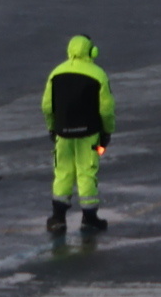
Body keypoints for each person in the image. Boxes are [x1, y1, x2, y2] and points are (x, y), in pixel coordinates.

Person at [44, 34, 114, 236]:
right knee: (86, 173)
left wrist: (52, 127)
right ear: (92, 51)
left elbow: (47, 106)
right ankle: (90, 219)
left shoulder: (56, 73)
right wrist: (107, 132)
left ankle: (58, 218)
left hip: (62, 134)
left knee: (63, 173)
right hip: (89, 134)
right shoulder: (98, 74)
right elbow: (107, 110)